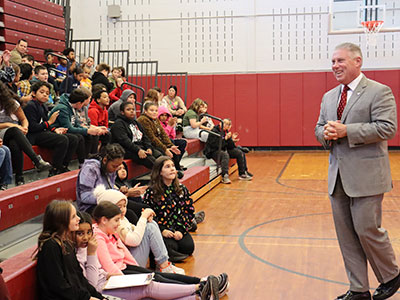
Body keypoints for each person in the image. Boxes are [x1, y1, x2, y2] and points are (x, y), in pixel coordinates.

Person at [315, 42, 400, 300]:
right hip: (337, 177)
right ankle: (359, 289)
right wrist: (326, 134)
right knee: (346, 236)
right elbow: (319, 128)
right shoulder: (329, 97)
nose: (335, 66)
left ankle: (392, 275)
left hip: (368, 177)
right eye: (332, 62)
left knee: (366, 229)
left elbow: (387, 128)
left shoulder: (379, 91)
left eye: (340, 60)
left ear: (357, 61)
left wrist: (347, 131)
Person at [92, 200, 227, 300]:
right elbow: (108, 265)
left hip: (125, 267)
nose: (118, 223)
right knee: (156, 282)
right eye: (116, 220)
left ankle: (202, 282)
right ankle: (199, 290)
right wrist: (127, 281)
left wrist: (138, 270)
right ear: (104, 220)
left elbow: (126, 255)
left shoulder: (110, 232)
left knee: (159, 277)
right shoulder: (98, 237)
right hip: (118, 274)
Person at [93, 184, 187, 270]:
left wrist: (145, 220)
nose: (122, 209)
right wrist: (143, 218)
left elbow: (136, 231)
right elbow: (134, 240)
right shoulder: (115, 224)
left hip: (130, 260)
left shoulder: (123, 219)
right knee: (149, 227)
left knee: (150, 225)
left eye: (124, 206)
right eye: (118, 206)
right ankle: (164, 265)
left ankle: (164, 264)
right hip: (126, 264)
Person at [34, 200, 105, 300]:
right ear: (62, 221)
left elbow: (80, 278)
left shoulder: (67, 243)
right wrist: (87, 298)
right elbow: (58, 286)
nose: (78, 219)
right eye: (73, 217)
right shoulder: (50, 246)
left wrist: (99, 297)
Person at [76, 143, 148, 220]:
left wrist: (120, 191)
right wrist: (115, 195)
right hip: (91, 207)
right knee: (130, 214)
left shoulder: (110, 169)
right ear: (105, 160)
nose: (116, 169)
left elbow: (110, 189)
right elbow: (84, 197)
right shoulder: (90, 169)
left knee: (144, 209)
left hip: (111, 202)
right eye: (115, 166)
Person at [143, 156, 196, 257]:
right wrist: (162, 230)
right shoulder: (151, 192)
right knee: (169, 246)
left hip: (177, 228)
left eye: (173, 166)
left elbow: (189, 211)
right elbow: (149, 215)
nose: (172, 169)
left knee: (188, 247)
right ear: (160, 172)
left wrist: (181, 230)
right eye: (167, 166)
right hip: (162, 230)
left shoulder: (181, 189)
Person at [0, 82, 51, 185]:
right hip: (3, 130)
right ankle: (36, 160)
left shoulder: (11, 103)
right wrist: (10, 125)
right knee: (15, 131)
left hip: (15, 132)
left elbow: (24, 120)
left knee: (15, 143)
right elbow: (11, 126)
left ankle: (20, 178)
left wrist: (25, 128)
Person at [23, 81, 79, 177]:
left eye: (47, 93)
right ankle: (55, 169)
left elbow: (47, 124)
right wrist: (49, 123)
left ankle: (63, 165)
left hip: (43, 132)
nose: (45, 95)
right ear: (33, 93)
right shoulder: (30, 106)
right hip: (33, 135)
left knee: (73, 138)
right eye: (42, 92)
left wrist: (55, 130)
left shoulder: (43, 106)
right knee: (62, 140)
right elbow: (32, 127)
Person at [49, 88, 104, 164]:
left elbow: (76, 124)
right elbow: (69, 128)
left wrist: (89, 129)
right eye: (82, 103)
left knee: (89, 135)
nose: (83, 106)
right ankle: (80, 162)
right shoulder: (63, 108)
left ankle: (89, 157)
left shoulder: (71, 107)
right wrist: (87, 130)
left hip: (64, 129)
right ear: (79, 103)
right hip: (56, 130)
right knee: (77, 137)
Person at [137, 102, 184, 174]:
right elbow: (152, 138)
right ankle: (163, 174)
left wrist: (171, 145)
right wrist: (165, 149)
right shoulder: (143, 120)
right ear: (145, 111)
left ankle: (175, 170)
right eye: (151, 110)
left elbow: (163, 134)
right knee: (162, 156)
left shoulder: (155, 120)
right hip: (148, 145)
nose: (154, 112)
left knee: (174, 150)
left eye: (156, 111)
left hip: (157, 143)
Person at [110, 102, 158, 169]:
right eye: (128, 109)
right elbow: (125, 141)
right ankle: (164, 175)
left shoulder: (136, 122)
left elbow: (145, 137)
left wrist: (148, 147)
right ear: (122, 112)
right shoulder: (118, 124)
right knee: (151, 161)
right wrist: (138, 150)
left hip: (141, 148)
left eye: (133, 109)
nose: (132, 111)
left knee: (159, 155)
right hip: (128, 150)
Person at [204, 118, 252, 184]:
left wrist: (230, 139)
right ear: (220, 123)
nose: (224, 125)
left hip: (222, 149)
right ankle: (225, 175)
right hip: (213, 151)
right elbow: (216, 145)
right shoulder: (214, 131)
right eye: (223, 122)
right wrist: (225, 139)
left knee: (239, 152)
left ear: (229, 126)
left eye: (227, 124)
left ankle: (242, 173)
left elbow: (231, 147)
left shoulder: (226, 132)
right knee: (225, 155)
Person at [158, 105, 187, 170]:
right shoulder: (158, 124)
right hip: (162, 142)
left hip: (169, 140)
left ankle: (176, 163)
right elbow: (163, 136)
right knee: (172, 142)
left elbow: (173, 135)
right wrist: (169, 126)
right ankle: (176, 165)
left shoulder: (167, 122)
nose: (164, 117)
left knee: (183, 142)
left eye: (166, 115)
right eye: (162, 115)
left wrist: (172, 125)